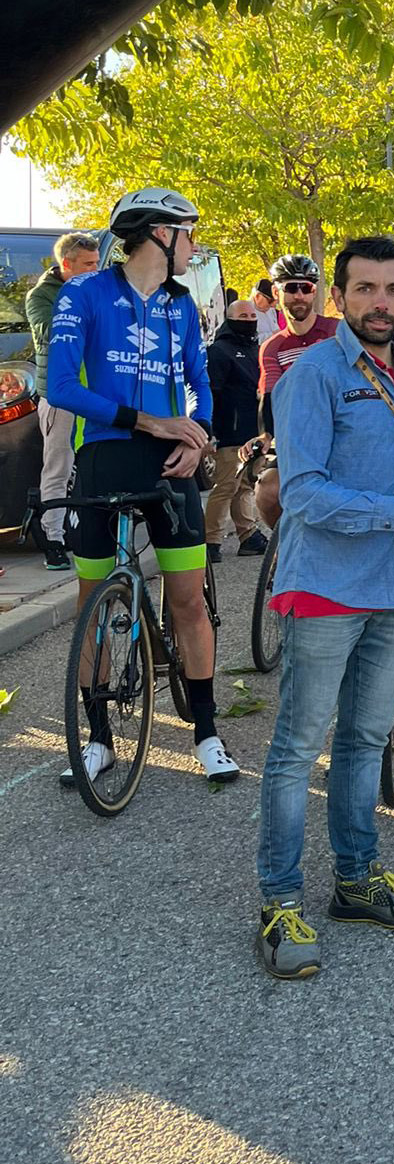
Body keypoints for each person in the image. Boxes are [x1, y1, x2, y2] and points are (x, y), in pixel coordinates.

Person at [256, 234, 394, 979]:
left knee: (365, 740)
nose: (382, 301)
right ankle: (279, 900)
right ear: (339, 298)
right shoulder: (309, 374)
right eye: (366, 288)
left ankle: (354, 877)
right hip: (328, 586)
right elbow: (302, 492)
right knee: (293, 749)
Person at [46, 186, 240, 787]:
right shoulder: (86, 291)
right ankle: (99, 738)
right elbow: (60, 386)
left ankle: (206, 731)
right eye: (190, 232)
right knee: (92, 601)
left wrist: (197, 434)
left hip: (171, 463)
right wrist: (147, 421)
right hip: (106, 454)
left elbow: (198, 381)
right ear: (161, 233)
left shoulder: (181, 305)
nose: (195, 245)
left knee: (186, 598)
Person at [27, 231, 100, 571]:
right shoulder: (41, 295)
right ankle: (52, 536)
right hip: (61, 395)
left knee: (92, 463)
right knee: (58, 466)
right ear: (66, 265)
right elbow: (46, 330)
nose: (95, 270)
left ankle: (82, 530)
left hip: (97, 393)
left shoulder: (98, 290)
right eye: (88, 264)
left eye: (97, 263)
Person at [254, 255, 338, 527]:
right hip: (299, 436)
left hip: (343, 429)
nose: (299, 296)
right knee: (267, 490)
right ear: (277, 293)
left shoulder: (338, 331)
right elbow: (270, 396)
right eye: (291, 288)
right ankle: (285, 545)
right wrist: (266, 436)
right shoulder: (272, 347)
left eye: (307, 288)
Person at [204, 299, 267, 563]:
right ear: (230, 319)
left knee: (244, 486)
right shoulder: (219, 351)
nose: (249, 319)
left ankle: (248, 534)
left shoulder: (257, 349)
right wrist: (211, 431)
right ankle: (211, 541)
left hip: (254, 431)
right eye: (243, 315)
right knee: (226, 486)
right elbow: (211, 392)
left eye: (253, 315)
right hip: (229, 431)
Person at [251, 278, 284, 344]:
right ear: (257, 296)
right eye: (270, 301)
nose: (273, 305)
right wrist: (272, 335)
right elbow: (250, 339)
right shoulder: (246, 312)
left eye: (276, 302)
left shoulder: (272, 311)